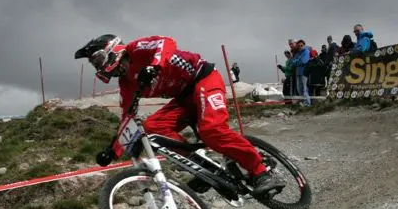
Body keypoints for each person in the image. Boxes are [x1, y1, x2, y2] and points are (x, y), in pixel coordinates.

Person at [74, 34, 285, 196]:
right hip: (183, 99)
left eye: (98, 59)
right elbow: (128, 116)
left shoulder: (136, 48)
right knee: (151, 128)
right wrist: (112, 151)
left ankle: (260, 171)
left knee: (211, 131)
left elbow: (166, 42)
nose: (98, 66)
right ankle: (203, 168)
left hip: (204, 79)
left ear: (114, 49)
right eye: (94, 64)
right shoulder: (126, 83)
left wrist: (154, 66)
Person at [289, 40, 311, 107]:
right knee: (299, 89)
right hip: (298, 73)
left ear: (304, 45)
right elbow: (292, 62)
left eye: (301, 45)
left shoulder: (306, 51)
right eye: (299, 46)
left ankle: (307, 103)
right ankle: (303, 102)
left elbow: (304, 61)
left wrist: (297, 61)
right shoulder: (298, 53)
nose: (300, 47)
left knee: (305, 88)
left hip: (304, 73)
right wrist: (297, 61)